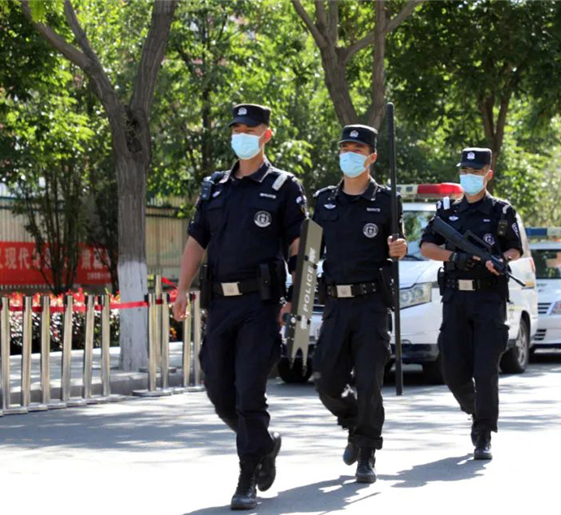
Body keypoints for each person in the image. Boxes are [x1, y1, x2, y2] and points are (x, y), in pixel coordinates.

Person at [172, 103, 307, 510]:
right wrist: (181, 289)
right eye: (236, 128)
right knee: (218, 389)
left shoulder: (283, 186)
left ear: (267, 134)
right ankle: (262, 443)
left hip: (260, 306)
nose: (241, 135)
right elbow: (196, 241)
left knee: (249, 391)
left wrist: (296, 298)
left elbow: (299, 246)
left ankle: (247, 477)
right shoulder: (215, 187)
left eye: (249, 128)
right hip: (220, 305)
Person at [311, 124, 407, 483]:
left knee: (369, 382)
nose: (349, 155)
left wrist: (399, 248)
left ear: (372, 157)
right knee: (324, 380)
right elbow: (310, 252)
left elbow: (397, 245)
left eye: (357, 149)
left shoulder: (386, 201)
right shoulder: (324, 200)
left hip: (371, 306)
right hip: (336, 305)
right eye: (345, 148)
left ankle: (367, 452)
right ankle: (354, 420)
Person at [419, 147, 522, 460]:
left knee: (485, 368)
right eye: (465, 171)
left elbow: (515, 248)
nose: (469, 176)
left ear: (488, 174)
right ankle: (477, 408)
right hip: (455, 298)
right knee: (452, 368)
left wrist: (502, 260)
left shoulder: (502, 212)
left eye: (476, 172)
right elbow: (426, 246)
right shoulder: (447, 212)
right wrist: (455, 257)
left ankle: (483, 432)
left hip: (489, 298)